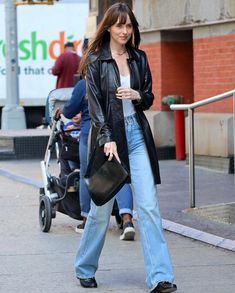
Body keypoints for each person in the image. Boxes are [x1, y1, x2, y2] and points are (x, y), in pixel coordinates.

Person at [74, 3, 177, 293]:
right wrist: (107, 138)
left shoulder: (139, 58)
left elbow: (148, 98)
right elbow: (95, 107)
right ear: (108, 27)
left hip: (136, 136)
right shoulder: (95, 60)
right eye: (119, 25)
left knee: (150, 207)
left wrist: (136, 94)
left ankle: (160, 276)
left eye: (129, 25)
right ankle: (84, 267)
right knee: (101, 210)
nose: (124, 31)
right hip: (109, 139)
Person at [61, 78, 136, 240]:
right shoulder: (114, 79)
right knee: (118, 173)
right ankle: (127, 220)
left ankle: (86, 219)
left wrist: (62, 110)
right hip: (116, 131)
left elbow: (69, 111)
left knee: (85, 174)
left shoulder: (85, 84)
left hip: (91, 133)